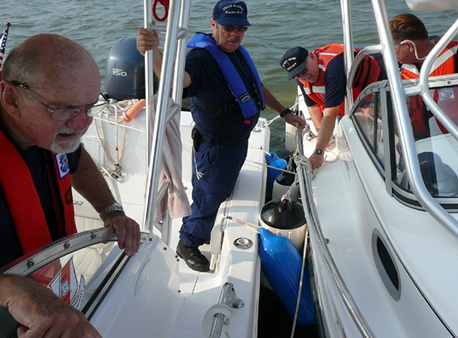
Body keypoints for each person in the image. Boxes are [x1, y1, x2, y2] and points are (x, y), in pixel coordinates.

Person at [136, 0, 305, 272]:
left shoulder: (235, 53)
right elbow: (177, 81)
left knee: (220, 189)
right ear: (214, 25)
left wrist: (284, 112)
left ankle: (220, 194)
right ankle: (188, 242)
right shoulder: (201, 59)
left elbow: (256, 87)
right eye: (228, 28)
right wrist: (154, 52)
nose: (235, 34)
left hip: (235, 145)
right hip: (215, 150)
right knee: (207, 198)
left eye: (240, 28)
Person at [0, 34, 141, 336]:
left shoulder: (50, 133)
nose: (82, 124)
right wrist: (7, 288)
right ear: (12, 99)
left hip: (46, 279)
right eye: (64, 109)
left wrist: (111, 210)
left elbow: (75, 158)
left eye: (89, 108)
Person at [389, 13, 458, 139]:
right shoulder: (401, 70)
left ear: (409, 46)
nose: (390, 54)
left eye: (392, 48)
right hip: (423, 144)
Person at [280, 45, 385, 169]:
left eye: (303, 70)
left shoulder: (333, 66)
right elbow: (313, 107)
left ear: (312, 57)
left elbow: (330, 114)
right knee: (343, 139)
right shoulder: (303, 77)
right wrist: (325, 140)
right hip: (350, 100)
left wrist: (319, 152)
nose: (303, 76)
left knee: (368, 138)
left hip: (376, 90)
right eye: (297, 75)